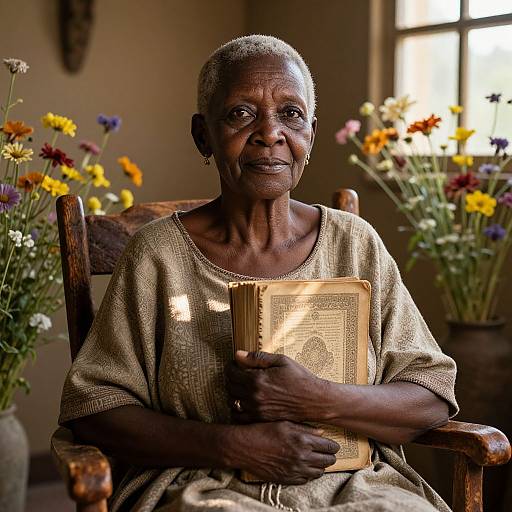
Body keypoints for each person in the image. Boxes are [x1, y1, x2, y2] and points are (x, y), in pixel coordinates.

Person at [59, 35, 458, 512]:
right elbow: (95, 410)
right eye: (240, 113)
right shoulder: (158, 255)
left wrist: (318, 399)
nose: (270, 133)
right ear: (203, 134)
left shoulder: (354, 243)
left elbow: (430, 396)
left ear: (309, 132)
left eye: (290, 115)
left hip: (356, 488)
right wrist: (233, 446)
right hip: (207, 488)